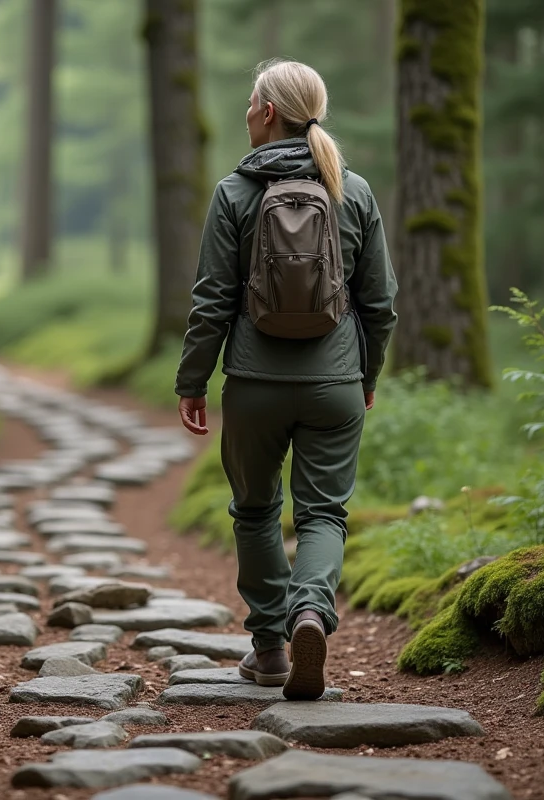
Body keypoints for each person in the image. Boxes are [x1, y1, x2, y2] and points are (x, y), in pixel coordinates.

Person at [174, 58, 398, 700]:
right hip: (336, 383)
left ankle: (270, 648)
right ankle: (310, 614)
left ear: (267, 113)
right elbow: (380, 302)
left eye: (251, 102)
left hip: (253, 382)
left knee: (254, 509)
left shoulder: (234, 193)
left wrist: (193, 380)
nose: (246, 112)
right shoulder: (353, 191)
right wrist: (366, 374)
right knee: (324, 512)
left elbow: (212, 301)